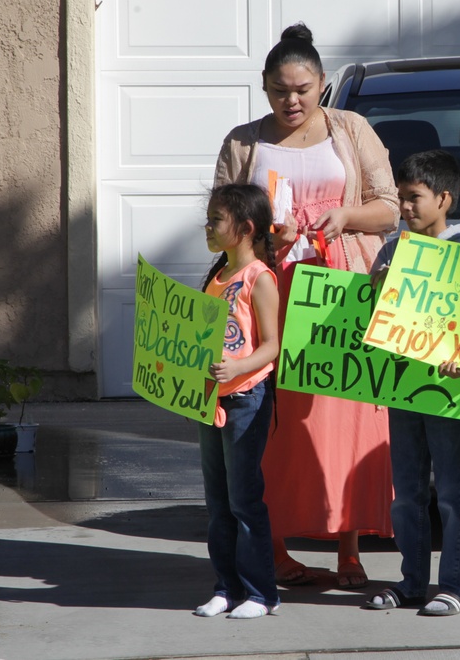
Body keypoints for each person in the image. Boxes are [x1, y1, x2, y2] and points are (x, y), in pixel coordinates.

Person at [213, 22, 400, 589]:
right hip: (267, 293)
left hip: (339, 289)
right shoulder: (243, 141)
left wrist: (342, 217)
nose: (291, 101)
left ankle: (349, 550)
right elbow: (223, 221)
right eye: (278, 90)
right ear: (264, 87)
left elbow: (389, 207)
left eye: (302, 88)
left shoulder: (351, 127)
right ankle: (273, 553)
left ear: (321, 82)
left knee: (345, 418)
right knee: (270, 423)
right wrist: (267, 235)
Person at [364, 150, 460, 616]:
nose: (405, 208)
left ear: (444, 199)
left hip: (445, 393)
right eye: (402, 199)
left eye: (415, 199)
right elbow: (367, 319)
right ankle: (412, 580)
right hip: (401, 388)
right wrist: (378, 289)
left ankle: (455, 585)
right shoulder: (391, 250)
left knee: (451, 492)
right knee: (406, 492)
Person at [194, 183, 280, 619]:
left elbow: (271, 347)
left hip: (246, 399)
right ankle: (225, 587)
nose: (207, 226)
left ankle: (261, 594)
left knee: (245, 499)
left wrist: (238, 369)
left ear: (246, 229)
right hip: (212, 402)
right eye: (209, 218)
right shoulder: (216, 277)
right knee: (217, 501)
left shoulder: (259, 278)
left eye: (216, 220)